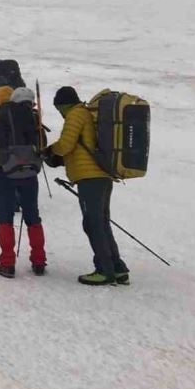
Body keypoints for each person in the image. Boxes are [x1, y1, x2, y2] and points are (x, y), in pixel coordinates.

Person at [45, 86, 129, 286]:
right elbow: (82, 147)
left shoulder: (75, 115)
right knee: (101, 222)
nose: (59, 112)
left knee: (92, 223)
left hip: (89, 178)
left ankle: (104, 270)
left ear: (63, 105)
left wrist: (49, 151)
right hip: (101, 175)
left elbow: (66, 144)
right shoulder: (85, 113)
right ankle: (117, 268)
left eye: (59, 108)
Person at [0, 86, 47, 277]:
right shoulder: (31, 116)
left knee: (5, 216)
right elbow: (41, 141)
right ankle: (39, 260)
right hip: (29, 172)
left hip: (4, 170)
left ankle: (7, 263)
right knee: (32, 215)